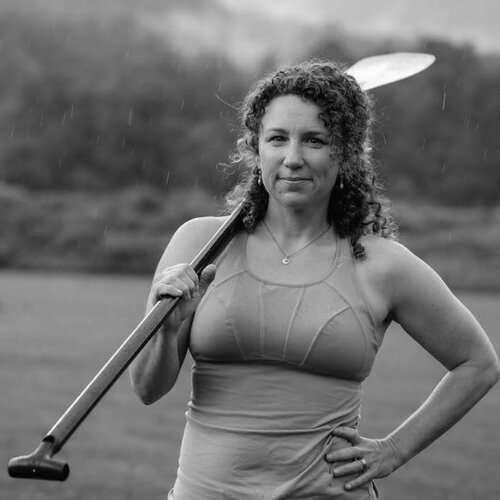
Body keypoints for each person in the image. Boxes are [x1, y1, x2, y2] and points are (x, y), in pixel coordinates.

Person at [129, 60, 500, 499]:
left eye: (314, 141)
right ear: (256, 148)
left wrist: (394, 450)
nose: (293, 158)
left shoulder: (382, 265)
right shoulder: (199, 243)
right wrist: (168, 327)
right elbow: (147, 389)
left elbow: (478, 364)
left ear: (344, 153)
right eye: (277, 139)